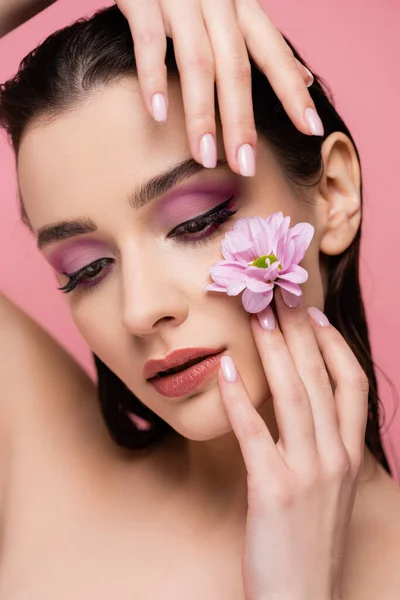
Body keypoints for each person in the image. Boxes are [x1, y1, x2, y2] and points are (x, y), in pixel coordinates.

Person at [0, 2, 399, 599]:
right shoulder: (41, 461)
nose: (140, 310)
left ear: (335, 193)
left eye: (197, 222)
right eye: (86, 269)